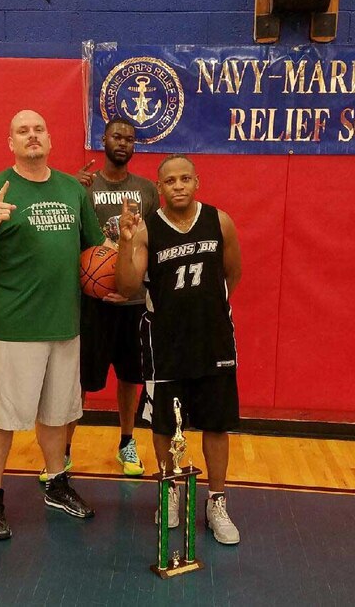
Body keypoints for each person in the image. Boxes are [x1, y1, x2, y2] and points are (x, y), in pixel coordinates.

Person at [0, 109, 105, 541]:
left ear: (50, 138)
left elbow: (94, 254)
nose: (32, 135)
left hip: (65, 323)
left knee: (59, 412)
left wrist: (121, 258)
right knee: (2, 415)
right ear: (11, 143)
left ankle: (56, 483)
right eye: (22, 130)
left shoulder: (71, 190)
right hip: (14, 325)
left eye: (39, 128)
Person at [114, 154, 243, 545]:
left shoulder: (220, 221)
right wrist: (123, 241)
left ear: (197, 181)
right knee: (164, 425)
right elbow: (126, 285)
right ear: (160, 188)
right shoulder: (147, 230)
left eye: (185, 178)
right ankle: (170, 491)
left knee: (216, 424)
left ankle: (216, 500)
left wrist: (206, 309)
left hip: (213, 338)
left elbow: (233, 272)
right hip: (164, 342)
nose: (179, 186)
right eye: (170, 181)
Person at [62, 117, 158, 479]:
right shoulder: (82, 186)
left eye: (130, 139)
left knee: (130, 377)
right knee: (81, 380)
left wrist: (135, 287)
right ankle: (65, 447)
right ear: (103, 140)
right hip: (92, 300)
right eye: (117, 136)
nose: (123, 143)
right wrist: (68, 189)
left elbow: (151, 243)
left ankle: (127, 441)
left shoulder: (147, 190)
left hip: (132, 301)